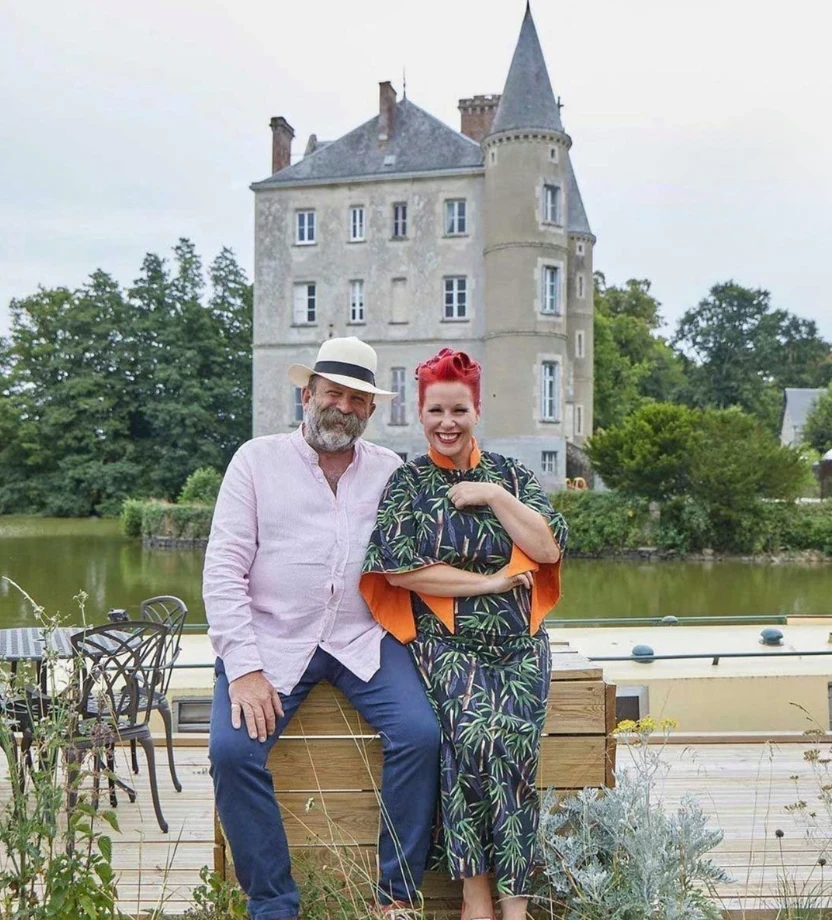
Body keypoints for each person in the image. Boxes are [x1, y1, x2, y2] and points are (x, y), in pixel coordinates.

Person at [204, 336, 441, 920]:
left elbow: (422, 553)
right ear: (307, 395)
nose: (343, 407)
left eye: (358, 399)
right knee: (232, 753)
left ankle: (395, 898)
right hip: (272, 639)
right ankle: (273, 903)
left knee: (421, 736)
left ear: (371, 410)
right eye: (333, 393)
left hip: (362, 638)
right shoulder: (254, 461)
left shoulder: (389, 470)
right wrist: (245, 668)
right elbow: (223, 570)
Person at [360, 348, 567, 920]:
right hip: (448, 643)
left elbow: (547, 549)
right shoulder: (407, 483)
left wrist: (493, 496)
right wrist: (490, 583)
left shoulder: (512, 475)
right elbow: (399, 570)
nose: (447, 422)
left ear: (477, 410)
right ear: (420, 414)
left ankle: (516, 905)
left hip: (520, 646)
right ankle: (476, 897)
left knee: (515, 756)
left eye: (459, 410)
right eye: (436, 410)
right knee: (468, 747)